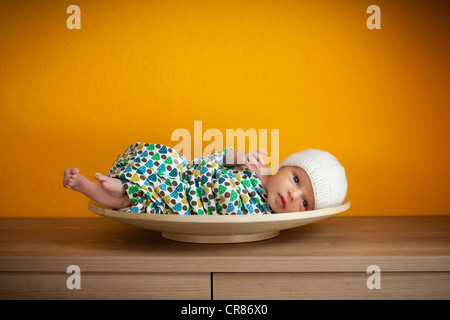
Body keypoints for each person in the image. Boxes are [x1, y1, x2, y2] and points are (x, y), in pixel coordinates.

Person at [63, 142, 347, 214]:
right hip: (184, 176)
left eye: (306, 203)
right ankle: (123, 182)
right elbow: (219, 158)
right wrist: (239, 156)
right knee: (164, 156)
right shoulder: (255, 168)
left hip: (185, 204)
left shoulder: (265, 215)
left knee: (139, 201)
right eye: (296, 180)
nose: (294, 195)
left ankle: (91, 187)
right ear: (285, 166)